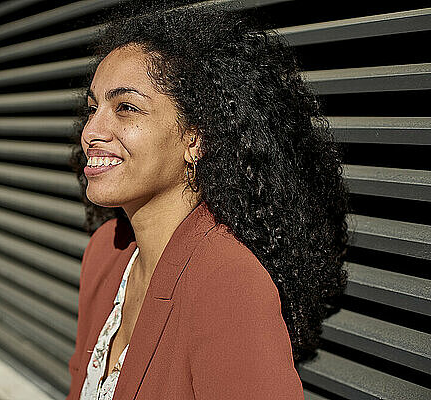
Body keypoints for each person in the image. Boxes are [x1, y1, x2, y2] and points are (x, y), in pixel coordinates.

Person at [67, 2, 349, 399]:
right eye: (94, 107)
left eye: (126, 107)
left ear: (196, 138)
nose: (92, 130)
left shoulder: (227, 283)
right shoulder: (106, 253)